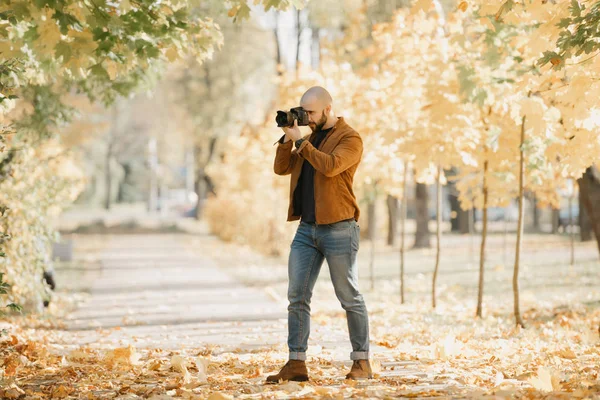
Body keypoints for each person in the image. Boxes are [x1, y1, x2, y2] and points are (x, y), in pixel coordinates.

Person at [267, 86, 372, 383]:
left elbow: (331, 167)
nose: (307, 118)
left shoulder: (350, 138)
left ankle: (362, 362)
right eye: (303, 112)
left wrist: (302, 141)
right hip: (306, 230)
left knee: (348, 296)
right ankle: (296, 363)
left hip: (339, 227)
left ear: (327, 109)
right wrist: (289, 139)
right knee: (297, 296)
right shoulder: (306, 137)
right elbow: (281, 168)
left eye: (311, 112)